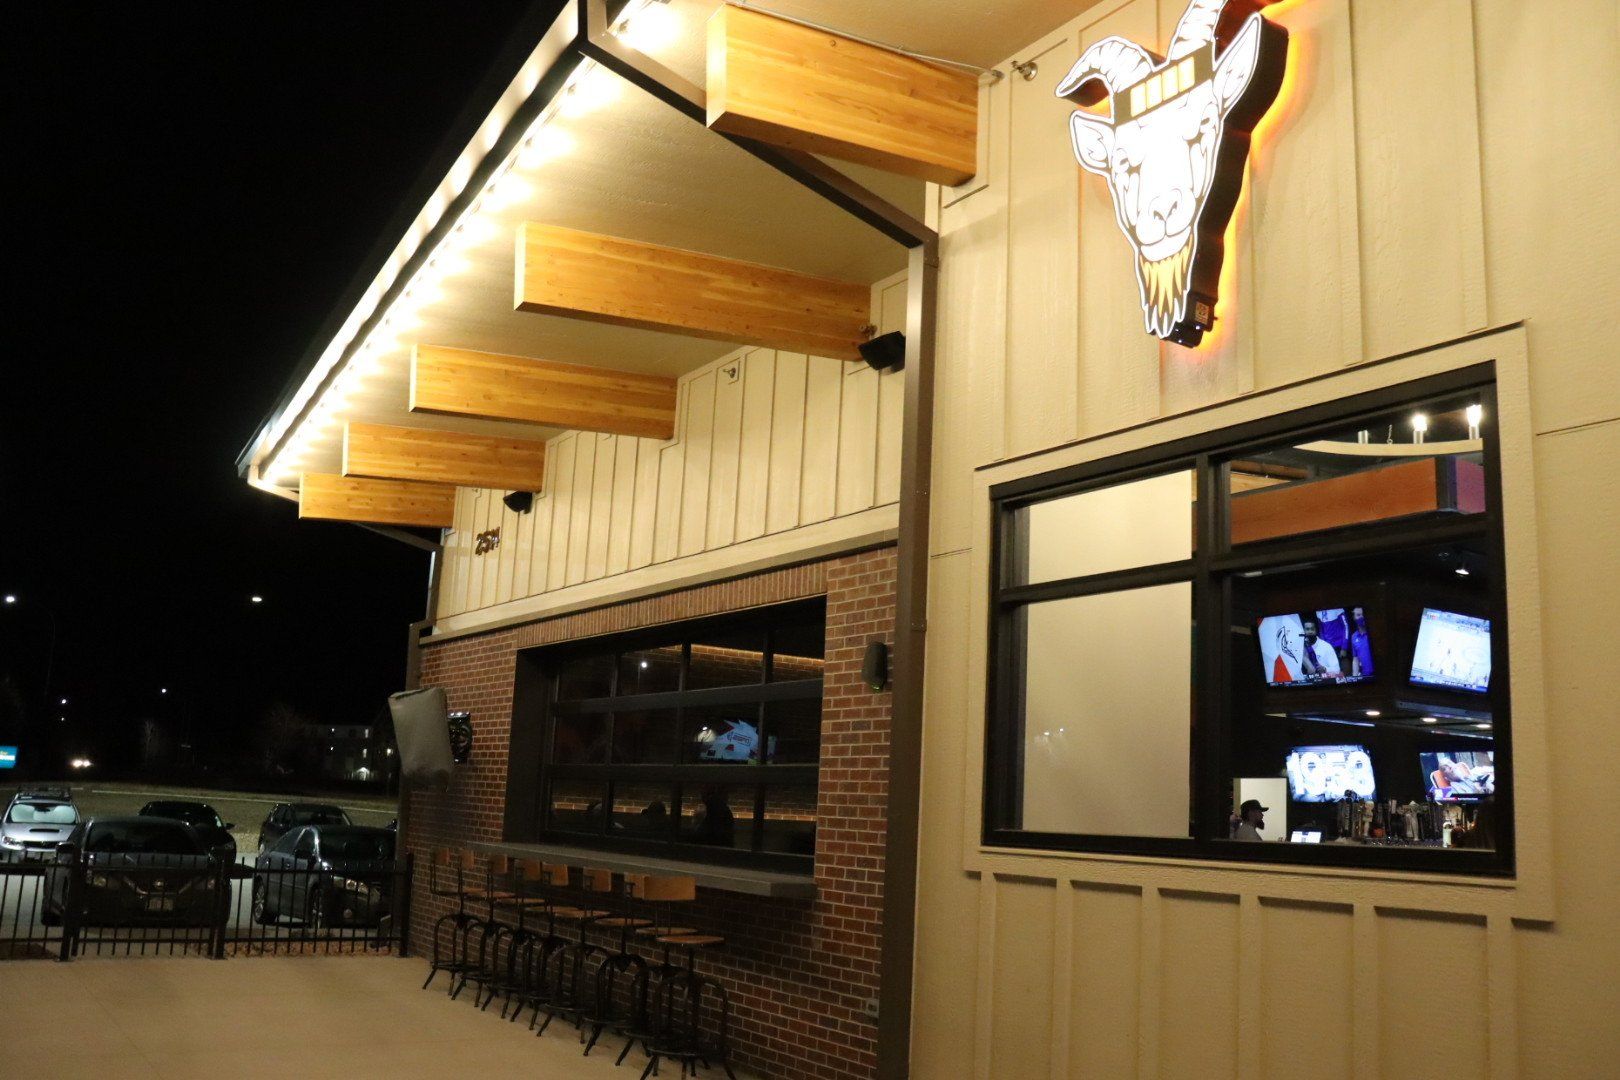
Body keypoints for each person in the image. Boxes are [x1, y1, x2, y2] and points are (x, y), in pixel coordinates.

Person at [1298, 616, 1343, 681]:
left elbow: (1337, 671)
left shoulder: (1326, 647)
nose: (1310, 632)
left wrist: (1325, 669)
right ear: (1303, 631)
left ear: (1316, 630)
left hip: (1325, 683)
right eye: (1307, 629)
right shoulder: (1299, 648)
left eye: (1312, 629)